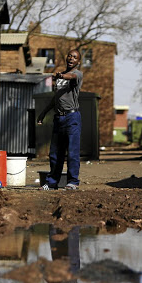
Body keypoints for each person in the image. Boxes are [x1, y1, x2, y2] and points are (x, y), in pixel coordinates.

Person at [37, 49, 83, 190]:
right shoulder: (60, 77)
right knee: (55, 154)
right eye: (69, 55)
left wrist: (61, 75)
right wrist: (43, 113)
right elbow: (55, 98)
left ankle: (72, 182)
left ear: (78, 62)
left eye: (74, 57)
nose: (71, 58)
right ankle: (52, 183)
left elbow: (71, 77)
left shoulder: (77, 74)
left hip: (72, 118)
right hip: (59, 118)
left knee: (72, 153)